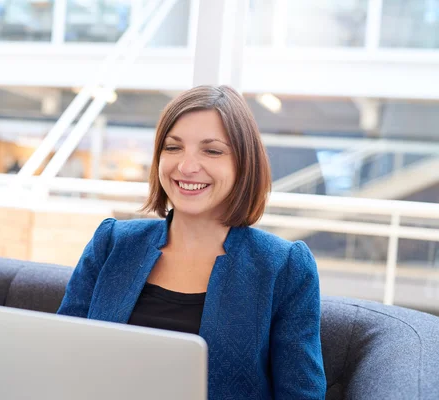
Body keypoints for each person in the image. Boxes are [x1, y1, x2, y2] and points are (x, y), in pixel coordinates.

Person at [57, 85, 326, 398]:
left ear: (244, 164)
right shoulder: (112, 243)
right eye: (173, 148)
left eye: (211, 151)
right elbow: (64, 357)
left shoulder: (284, 267)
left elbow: (301, 394)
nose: (186, 166)